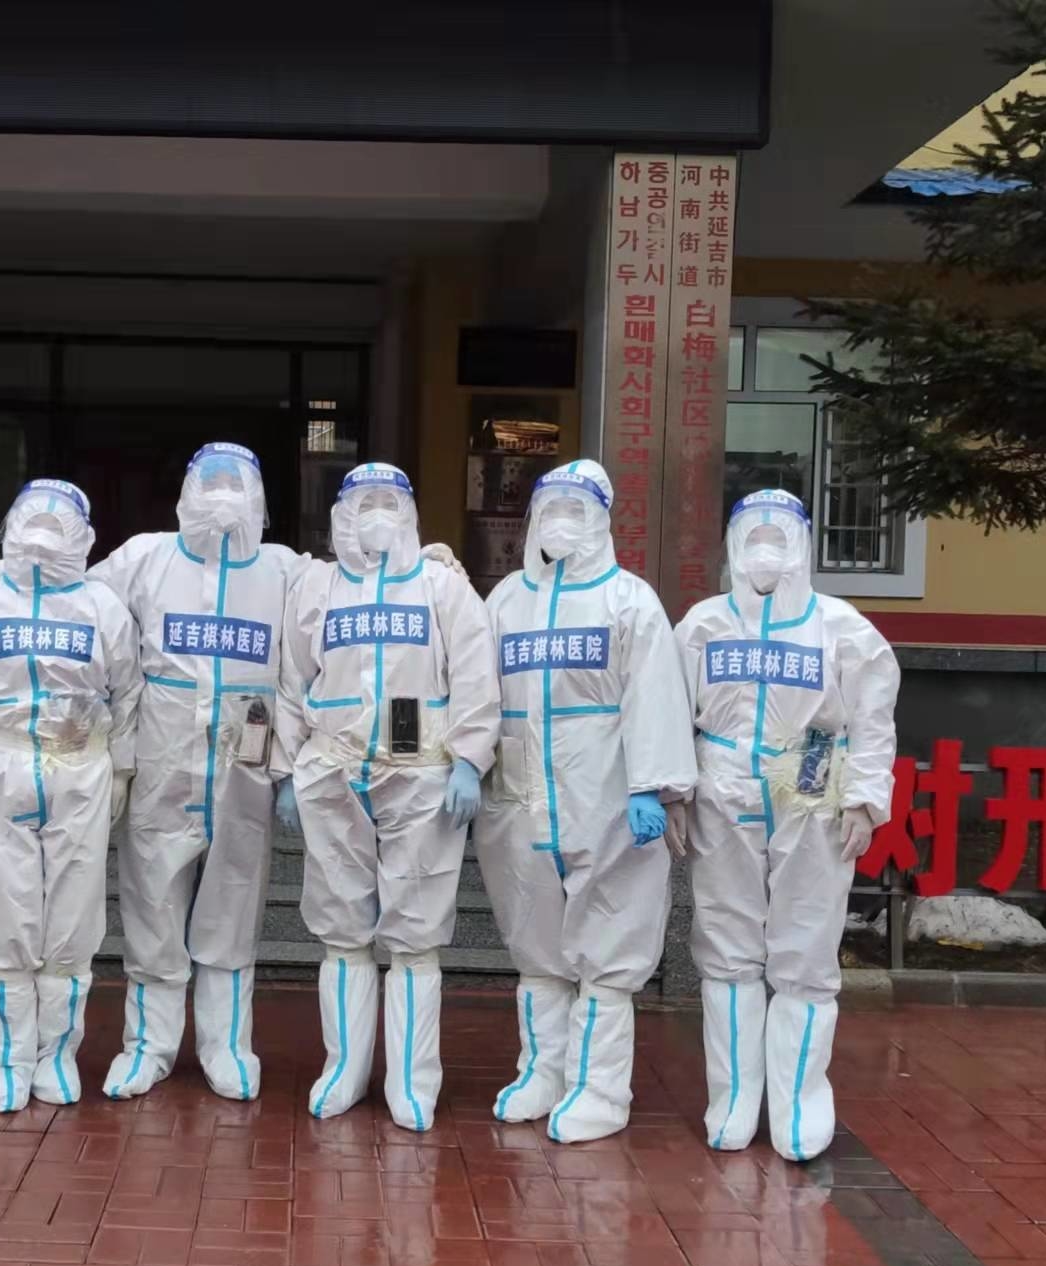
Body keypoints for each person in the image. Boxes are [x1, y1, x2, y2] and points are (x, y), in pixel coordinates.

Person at [474, 460, 697, 1144]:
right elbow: (476, 685)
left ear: (600, 519)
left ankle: (599, 1089)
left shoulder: (628, 601)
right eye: (551, 506)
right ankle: (543, 1070)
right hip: (518, 794)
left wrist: (648, 784)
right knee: (535, 938)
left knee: (608, 937)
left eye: (577, 506)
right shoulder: (505, 599)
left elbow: (655, 694)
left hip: (604, 794)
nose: (561, 519)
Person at [675, 489, 899, 1162]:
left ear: (802, 546)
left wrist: (863, 798)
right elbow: (668, 711)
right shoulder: (702, 625)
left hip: (812, 800)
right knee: (726, 951)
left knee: (803, 954)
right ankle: (734, 1098)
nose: (765, 548)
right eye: (751, 535)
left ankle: (799, 1103)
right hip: (721, 795)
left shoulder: (843, 629)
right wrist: (674, 790)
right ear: (732, 545)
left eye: (779, 536)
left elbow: (872, 719)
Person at [274, 462, 500, 1131]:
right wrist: (286, 770)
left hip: (420, 773)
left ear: (408, 511)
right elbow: (290, 679)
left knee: (414, 936)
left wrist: (469, 760)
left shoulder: (441, 586)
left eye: (389, 501)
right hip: (332, 771)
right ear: (341, 511)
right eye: (363, 501)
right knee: (341, 933)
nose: (376, 513)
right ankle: (342, 1068)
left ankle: (410, 1079)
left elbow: (475, 676)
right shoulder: (316, 587)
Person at [84, 444, 303, 1101]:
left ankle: (225, 1047)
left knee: (233, 904)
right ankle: (146, 1047)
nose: (221, 496)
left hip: (245, 761)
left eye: (236, 485)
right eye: (208, 483)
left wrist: (430, 569)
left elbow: (350, 590)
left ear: (259, 498)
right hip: (161, 757)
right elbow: (74, 605)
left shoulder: (282, 568)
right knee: (152, 900)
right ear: (183, 491)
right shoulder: (145, 557)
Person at [0, 479, 138, 1113]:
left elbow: (129, 692)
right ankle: (5, 1058)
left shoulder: (103, 606)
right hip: (0, 760)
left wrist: (120, 767)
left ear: (85, 536)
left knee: (71, 919)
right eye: (31, 518)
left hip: (80, 768)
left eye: (60, 521)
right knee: (1, 917)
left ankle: (56, 1055)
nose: (43, 530)